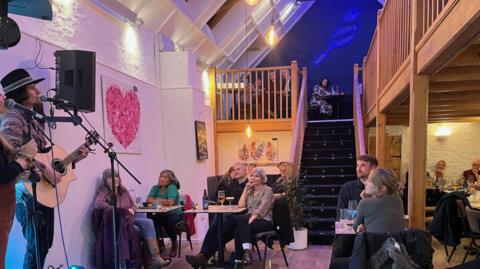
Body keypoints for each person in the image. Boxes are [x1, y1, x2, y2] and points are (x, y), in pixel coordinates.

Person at [0, 68, 89, 269]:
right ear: (20, 92)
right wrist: (44, 169)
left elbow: (46, 157)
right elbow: (12, 154)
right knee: (36, 246)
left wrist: (72, 160)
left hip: (42, 192)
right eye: (33, 88)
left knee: (44, 245)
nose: (39, 92)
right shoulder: (13, 118)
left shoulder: (34, 121)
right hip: (28, 194)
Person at [94, 169, 171, 268]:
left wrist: (131, 210)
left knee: (148, 222)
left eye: (117, 176)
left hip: (129, 219)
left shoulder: (123, 190)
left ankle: (155, 258)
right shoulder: (104, 193)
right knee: (141, 230)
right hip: (118, 225)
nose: (115, 179)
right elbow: (97, 204)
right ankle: (145, 262)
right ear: (105, 180)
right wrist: (118, 210)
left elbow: (133, 205)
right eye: (111, 177)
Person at [0, 91, 40, 269]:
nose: (3, 97)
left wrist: (25, 170)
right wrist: (24, 159)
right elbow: (2, 174)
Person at [185, 163, 248, 267]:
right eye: (234, 169)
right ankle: (202, 256)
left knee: (221, 231)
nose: (236, 171)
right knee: (214, 227)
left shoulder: (248, 184)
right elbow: (221, 197)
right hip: (227, 213)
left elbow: (244, 204)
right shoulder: (232, 183)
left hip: (240, 216)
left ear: (245, 171)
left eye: (238, 169)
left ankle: (203, 257)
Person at [233, 167, 274, 268]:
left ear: (262, 179)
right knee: (238, 229)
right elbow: (241, 205)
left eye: (257, 176)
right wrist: (245, 189)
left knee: (239, 224)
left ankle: (238, 260)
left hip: (265, 220)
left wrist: (254, 216)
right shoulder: (250, 190)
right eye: (252, 176)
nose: (253, 178)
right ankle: (246, 254)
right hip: (250, 219)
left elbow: (264, 207)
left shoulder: (267, 190)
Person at [353, 168, 405, 233]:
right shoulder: (398, 200)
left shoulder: (365, 203)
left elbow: (355, 227)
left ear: (383, 188)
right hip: (397, 242)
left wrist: (365, 199)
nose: (366, 183)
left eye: (370, 180)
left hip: (376, 242)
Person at [146, 169, 183, 257]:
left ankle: (174, 243)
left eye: (165, 177)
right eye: (161, 176)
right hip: (160, 213)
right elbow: (148, 200)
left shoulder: (172, 187)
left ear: (170, 180)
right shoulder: (155, 188)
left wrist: (155, 200)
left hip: (174, 214)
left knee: (168, 221)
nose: (161, 179)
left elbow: (170, 202)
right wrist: (162, 201)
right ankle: (158, 244)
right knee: (150, 222)